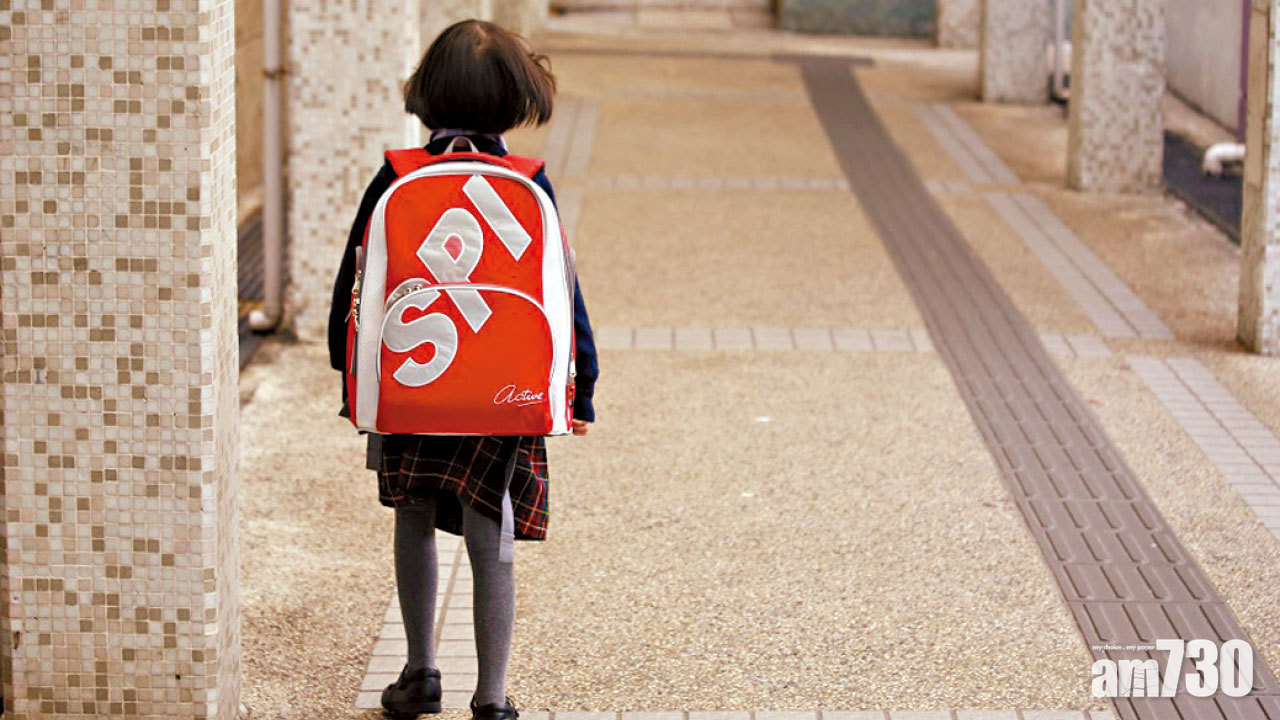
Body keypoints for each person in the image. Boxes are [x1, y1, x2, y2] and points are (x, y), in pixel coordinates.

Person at [326, 19, 599, 720]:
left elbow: (352, 282)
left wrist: (349, 373)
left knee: (411, 513)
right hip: (501, 393)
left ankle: (419, 673)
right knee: (492, 524)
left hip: (412, 386)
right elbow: (562, 294)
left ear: (427, 95)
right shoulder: (527, 184)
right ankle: (492, 696)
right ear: (517, 101)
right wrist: (582, 387)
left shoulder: (399, 177)